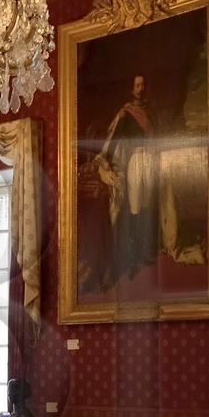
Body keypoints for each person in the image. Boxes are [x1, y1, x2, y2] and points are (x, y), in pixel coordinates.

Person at [81, 73, 160, 293]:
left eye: (143, 84)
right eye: (137, 85)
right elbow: (114, 139)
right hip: (135, 160)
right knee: (134, 207)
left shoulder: (151, 113)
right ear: (131, 89)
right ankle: (132, 257)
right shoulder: (126, 113)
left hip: (150, 161)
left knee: (145, 206)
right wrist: (102, 159)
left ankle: (142, 251)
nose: (141, 88)